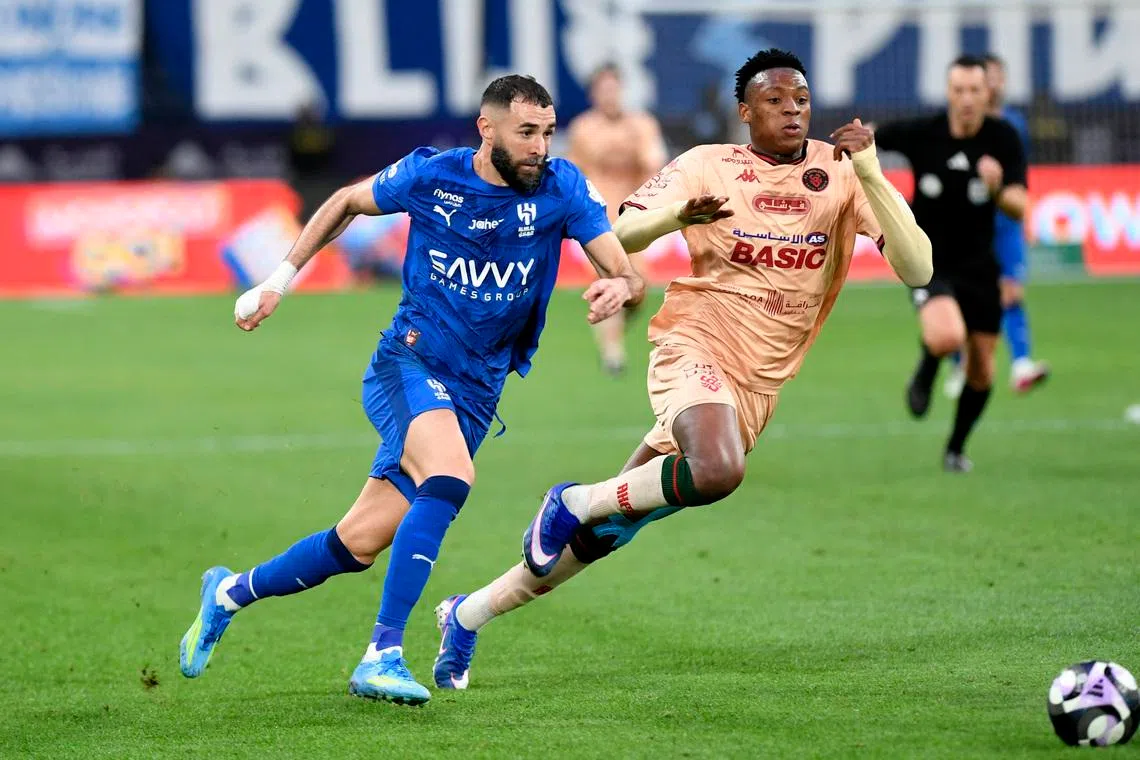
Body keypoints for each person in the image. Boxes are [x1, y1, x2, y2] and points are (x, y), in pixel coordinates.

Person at [430, 48, 933, 690]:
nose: (792, 111)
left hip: (758, 386)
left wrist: (870, 170)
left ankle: (467, 614)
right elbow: (624, 231)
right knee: (719, 470)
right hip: (694, 344)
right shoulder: (708, 165)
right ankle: (570, 499)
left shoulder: (839, 175)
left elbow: (918, 268)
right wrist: (678, 217)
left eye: (801, 101)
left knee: (603, 531)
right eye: (775, 101)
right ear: (745, 112)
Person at [177, 75, 644, 706]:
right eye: (527, 132)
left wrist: (620, 285)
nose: (540, 146)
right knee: (449, 478)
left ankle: (228, 592)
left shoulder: (562, 187)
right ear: (488, 129)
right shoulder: (432, 176)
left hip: (477, 394)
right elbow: (344, 201)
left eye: (547, 132)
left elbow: (623, 268)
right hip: (408, 363)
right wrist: (276, 282)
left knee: (358, 543)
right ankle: (383, 653)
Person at [873, 55, 1028, 472]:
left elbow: (1020, 206)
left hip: (980, 266)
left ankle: (955, 448)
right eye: (958, 90)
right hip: (929, 261)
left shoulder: (1003, 138)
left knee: (981, 370)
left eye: (974, 90)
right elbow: (872, 139)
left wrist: (997, 188)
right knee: (945, 336)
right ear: (948, 93)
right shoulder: (925, 132)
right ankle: (925, 371)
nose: (966, 98)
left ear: (987, 93)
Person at [942, 53, 1048, 399]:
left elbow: (1018, 172)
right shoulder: (958, 125)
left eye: (1000, 76)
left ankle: (1021, 364)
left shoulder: (1013, 123)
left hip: (1006, 221)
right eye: (991, 77)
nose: (996, 83)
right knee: (961, 297)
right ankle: (961, 364)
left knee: (1012, 291)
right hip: (969, 222)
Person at [565, 64, 668, 375]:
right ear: (594, 94)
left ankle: (613, 333)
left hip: (633, 218)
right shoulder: (583, 129)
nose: (609, 96)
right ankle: (613, 353)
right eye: (603, 90)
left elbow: (654, 165)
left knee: (638, 288)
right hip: (596, 220)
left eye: (614, 89)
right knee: (610, 280)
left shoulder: (642, 125)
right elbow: (574, 175)